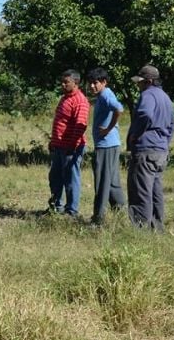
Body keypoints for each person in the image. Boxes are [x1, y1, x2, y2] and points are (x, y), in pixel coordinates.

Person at [126, 65, 174, 232]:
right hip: (160, 151)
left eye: (140, 82)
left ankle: (140, 230)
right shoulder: (165, 98)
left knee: (140, 190)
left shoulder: (147, 95)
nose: (138, 85)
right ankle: (157, 227)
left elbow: (145, 114)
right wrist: (164, 144)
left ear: (148, 81)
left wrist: (136, 134)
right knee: (155, 191)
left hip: (146, 150)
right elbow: (172, 126)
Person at [48, 69, 90, 217]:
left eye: (66, 82)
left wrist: (72, 146)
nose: (62, 84)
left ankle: (72, 211)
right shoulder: (65, 98)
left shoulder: (80, 101)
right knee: (55, 177)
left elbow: (80, 126)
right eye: (62, 81)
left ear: (76, 83)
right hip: (59, 146)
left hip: (70, 148)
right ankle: (56, 206)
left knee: (71, 179)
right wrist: (53, 141)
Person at [87, 67, 126, 226]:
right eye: (90, 83)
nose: (92, 86)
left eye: (95, 83)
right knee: (112, 181)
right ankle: (120, 211)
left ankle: (99, 218)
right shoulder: (103, 95)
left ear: (104, 82)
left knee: (102, 181)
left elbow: (119, 109)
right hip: (111, 144)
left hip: (106, 145)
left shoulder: (105, 95)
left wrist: (108, 128)